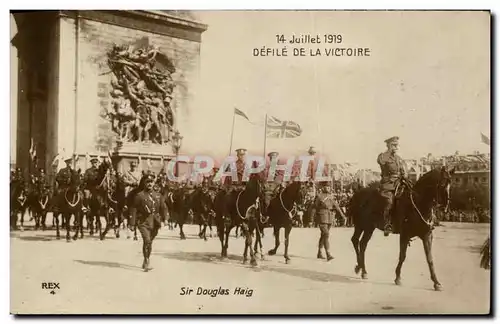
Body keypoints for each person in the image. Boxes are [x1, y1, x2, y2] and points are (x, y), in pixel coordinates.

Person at [129, 174, 168, 271]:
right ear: (144, 183)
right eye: (147, 182)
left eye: (151, 182)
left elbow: (164, 208)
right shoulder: (139, 196)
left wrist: (166, 218)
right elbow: (133, 209)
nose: (149, 184)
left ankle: (147, 257)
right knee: (147, 240)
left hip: (155, 222)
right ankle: (146, 261)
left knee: (149, 242)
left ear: (154, 183)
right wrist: (132, 223)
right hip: (143, 222)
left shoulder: (158, 195)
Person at [377, 136, 407, 236]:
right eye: (393, 145)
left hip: (399, 183)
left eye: (396, 145)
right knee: (389, 202)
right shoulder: (383, 156)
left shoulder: (398, 158)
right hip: (388, 185)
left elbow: (403, 170)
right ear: (389, 145)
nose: (396, 147)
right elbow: (381, 162)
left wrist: (404, 175)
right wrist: (389, 151)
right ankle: (387, 224)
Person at [310, 181, 346, 261]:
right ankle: (328, 254)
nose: (328, 188)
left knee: (324, 235)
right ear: (323, 188)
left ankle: (319, 252)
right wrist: (311, 219)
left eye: (329, 187)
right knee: (326, 234)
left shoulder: (331, 196)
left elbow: (337, 207)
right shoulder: (319, 197)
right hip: (322, 216)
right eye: (327, 187)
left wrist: (343, 216)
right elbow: (314, 208)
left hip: (330, 217)